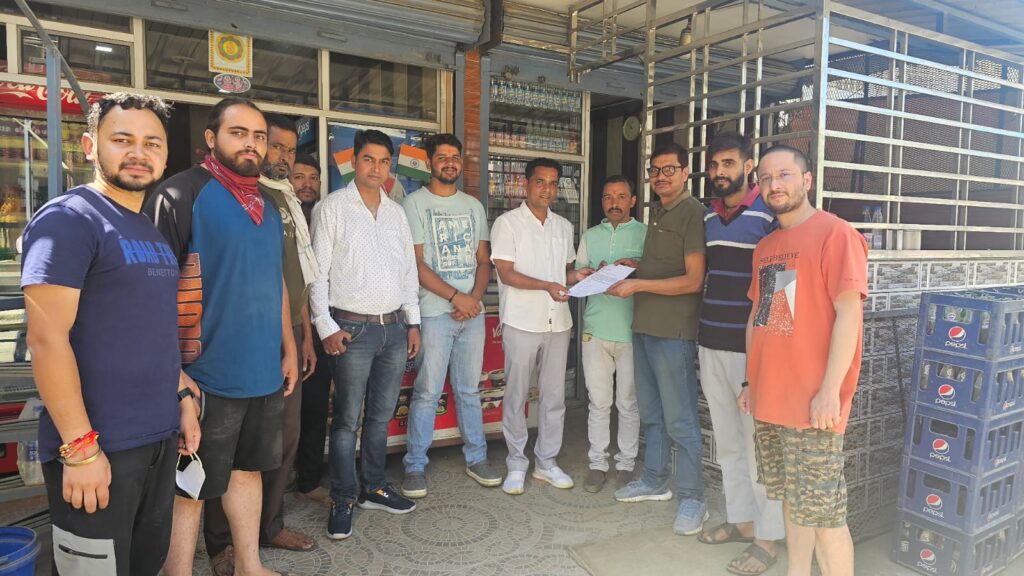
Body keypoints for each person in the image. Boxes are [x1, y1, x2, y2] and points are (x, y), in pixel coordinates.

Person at [21, 92, 199, 576]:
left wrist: (181, 394)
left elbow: (148, 327)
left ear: (165, 154)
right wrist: (81, 449)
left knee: (144, 564)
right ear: (89, 146)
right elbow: (45, 340)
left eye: (152, 143)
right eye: (122, 140)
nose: (138, 153)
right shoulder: (68, 219)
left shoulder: (147, 229)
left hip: (157, 439)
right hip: (98, 447)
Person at [144, 97, 299, 576]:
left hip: (262, 370)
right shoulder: (180, 194)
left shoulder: (268, 205)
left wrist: (289, 348)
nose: (251, 144)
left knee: (247, 471)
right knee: (189, 486)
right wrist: (175, 377)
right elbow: (150, 293)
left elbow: (275, 281)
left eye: (259, 136)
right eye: (239, 133)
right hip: (204, 374)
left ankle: (250, 565)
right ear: (211, 138)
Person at [740, 145, 866, 576]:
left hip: (815, 406)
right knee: (794, 502)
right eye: (766, 178)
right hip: (772, 400)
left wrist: (831, 391)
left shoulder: (836, 234)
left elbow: (849, 314)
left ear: (807, 180)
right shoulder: (767, 246)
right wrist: (750, 382)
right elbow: (765, 317)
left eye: (784, 175)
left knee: (826, 516)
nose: (774, 184)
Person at [202, 114, 318, 574]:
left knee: (281, 441)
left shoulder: (282, 199)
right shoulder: (231, 196)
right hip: (237, 339)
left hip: (285, 334)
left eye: (289, 149)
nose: (282, 156)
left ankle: (269, 526)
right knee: (226, 449)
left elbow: (293, 275)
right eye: (276, 146)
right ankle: (221, 543)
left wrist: (302, 336)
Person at [310, 129, 421, 540]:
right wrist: (326, 326)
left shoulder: (396, 213)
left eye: (384, 161)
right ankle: (343, 497)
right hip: (351, 330)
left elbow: (408, 273)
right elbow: (317, 274)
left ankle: (374, 486)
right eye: (369, 159)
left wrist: (413, 323)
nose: (377, 168)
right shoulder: (332, 208)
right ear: (354, 161)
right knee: (345, 421)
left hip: (393, 328)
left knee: (380, 416)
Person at [693, 133, 784, 575]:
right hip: (710, 342)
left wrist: (764, 358)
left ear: (748, 167)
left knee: (757, 449)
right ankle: (743, 521)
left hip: (751, 353)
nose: (718, 172)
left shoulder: (770, 217)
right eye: (714, 165)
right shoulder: (710, 217)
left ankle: (768, 538)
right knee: (728, 444)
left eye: (728, 163)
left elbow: (780, 297)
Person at [607, 143, 707, 536]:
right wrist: (636, 268)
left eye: (669, 169)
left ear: (685, 172)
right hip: (645, 327)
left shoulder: (692, 212)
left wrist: (637, 285)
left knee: (680, 419)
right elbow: (666, 266)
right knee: (651, 413)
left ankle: (693, 497)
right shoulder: (659, 213)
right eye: (655, 170)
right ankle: (654, 479)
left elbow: (693, 280)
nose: (661, 176)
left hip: (673, 332)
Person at [400, 133, 502, 498]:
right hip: (434, 313)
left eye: (455, 157)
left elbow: (483, 261)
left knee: (469, 390)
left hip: (470, 314)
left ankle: (477, 458)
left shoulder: (473, 206)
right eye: (442, 157)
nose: (449, 163)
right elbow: (415, 264)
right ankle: (414, 466)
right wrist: (457, 298)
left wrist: (473, 300)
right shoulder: (413, 203)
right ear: (429, 163)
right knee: (427, 391)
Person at [490, 157, 593, 496]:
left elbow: (562, 273)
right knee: (516, 395)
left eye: (552, 183)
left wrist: (576, 276)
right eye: (540, 182)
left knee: (554, 397)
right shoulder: (507, 223)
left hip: (558, 322)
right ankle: (516, 462)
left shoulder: (563, 226)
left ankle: (546, 462)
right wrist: (547, 285)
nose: (547, 189)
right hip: (521, 320)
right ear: (526, 184)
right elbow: (506, 273)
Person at [575, 175, 645, 493]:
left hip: (632, 330)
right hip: (596, 329)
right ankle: (597, 464)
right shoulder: (590, 235)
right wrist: (594, 274)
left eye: (620, 196)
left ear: (633, 200)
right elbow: (578, 276)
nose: (613, 203)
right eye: (607, 197)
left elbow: (657, 275)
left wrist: (637, 266)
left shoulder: (645, 234)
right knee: (599, 401)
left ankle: (626, 464)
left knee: (628, 402)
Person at [292, 154, 334, 506]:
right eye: (299, 177)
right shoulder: (282, 218)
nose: (308, 184)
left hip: (322, 327)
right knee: (284, 411)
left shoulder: (325, 217)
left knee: (316, 407)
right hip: (287, 326)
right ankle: (276, 478)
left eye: (314, 178)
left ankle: (308, 479)